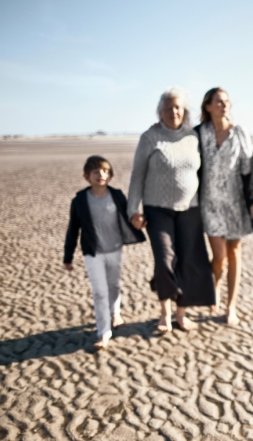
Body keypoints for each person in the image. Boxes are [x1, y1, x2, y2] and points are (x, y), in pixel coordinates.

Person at [128, 88, 215, 333]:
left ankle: (180, 313)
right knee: (165, 260)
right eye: (168, 108)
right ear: (160, 112)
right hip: (157, 209)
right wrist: (133, 209)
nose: (173, 112)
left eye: (177, 107)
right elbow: (137, 176)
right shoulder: (150, 137)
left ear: (184, 111)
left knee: (188, 261)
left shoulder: (192, 136)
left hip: (191, 209)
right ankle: (164, 313)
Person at [195, 87, 253, 326]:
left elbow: (250, 169)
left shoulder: (240, 133)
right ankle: (214, 286)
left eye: (226, 102)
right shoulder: (199, 133)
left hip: (236, 202)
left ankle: (230, 306)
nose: (223, 105)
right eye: (218, 102)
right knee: (219, 256)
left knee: (234, 253)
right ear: (208, 106)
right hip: (209, 202)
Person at [63, 156, 146, 349]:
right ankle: (104, 332)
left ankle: (115, 313)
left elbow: (128, 216)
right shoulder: (80, 200)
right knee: (100, 292)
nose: (101, 175)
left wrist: (139, 221)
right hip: (93, 252)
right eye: (96, 172)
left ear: (110, 176)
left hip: (114, 249)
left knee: (114, 284)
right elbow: (73, 229)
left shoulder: (116, 195)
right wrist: (68, 256)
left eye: (105, 171)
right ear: (86, 177)